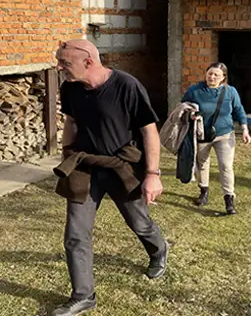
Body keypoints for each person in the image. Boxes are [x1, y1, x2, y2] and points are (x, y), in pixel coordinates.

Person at [51, 39, 168, 316]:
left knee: (139, 222)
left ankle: (158, 250)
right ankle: (83, 295)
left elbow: (149, 131)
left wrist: (152, 174)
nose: (59, 67)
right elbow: (72, 121)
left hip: (121, 167)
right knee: (75, 234)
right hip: (85, 167)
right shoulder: (70, 88)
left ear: (88, 62)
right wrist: (66, 153)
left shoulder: (127, 86)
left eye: (64, 62)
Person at [181, 62, 251, 215]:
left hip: (224, 134)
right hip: (201, 134)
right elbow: (183, 106)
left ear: (223, 78)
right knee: (203, 164)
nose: (212, 77)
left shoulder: (230, 92)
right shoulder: (195, 90)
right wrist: (190, 114)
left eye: (216, 75)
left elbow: (239, 110)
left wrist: (245, 129)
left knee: (226, 166)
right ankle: (203, 191)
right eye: (209, 73)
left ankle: (229, 199)